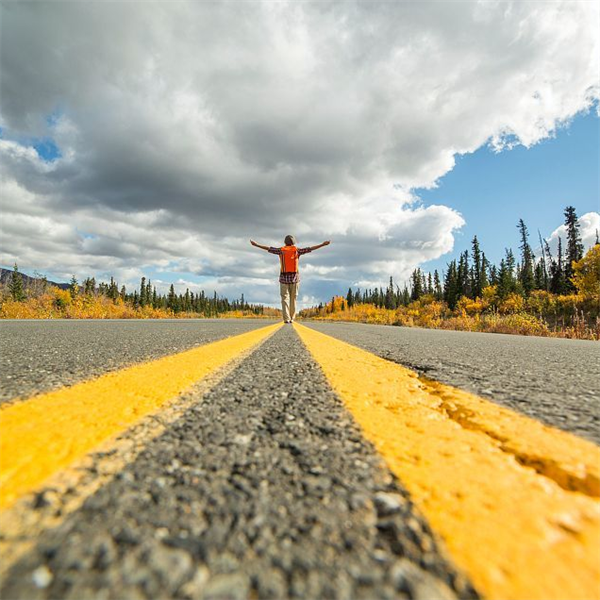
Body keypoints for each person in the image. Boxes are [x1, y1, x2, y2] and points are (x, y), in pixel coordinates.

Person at [250, 235, 331, 323]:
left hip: (283, 278)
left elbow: (269, 248)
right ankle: (292, 318)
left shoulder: (281, 250)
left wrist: (256, 245)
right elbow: (310, 249)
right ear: (294, 243)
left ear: (285, 242)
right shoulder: (297, 250)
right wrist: (322, 244)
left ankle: (286, 318)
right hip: (295, 279)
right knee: (293, 299)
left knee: (284, 299)